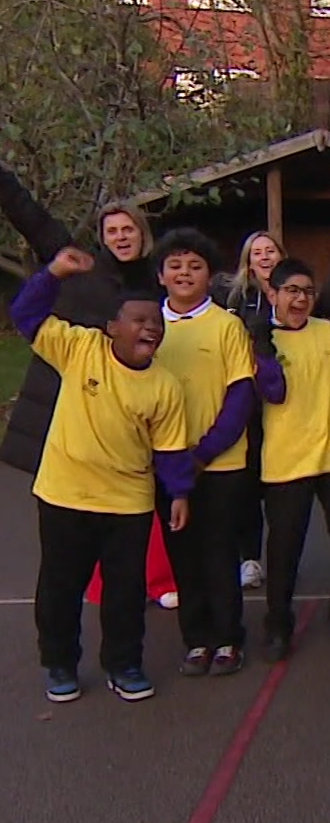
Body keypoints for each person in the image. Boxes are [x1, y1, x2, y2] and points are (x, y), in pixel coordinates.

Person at [11, 246, 194, 703]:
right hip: (64, 494)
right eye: (138, 319)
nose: (150, 326)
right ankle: (59, 665)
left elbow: (169, 451)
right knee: (60, 586)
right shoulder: (79, 347)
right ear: (112, 328)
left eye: (156, 322)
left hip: (127, 500)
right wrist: (54, 272)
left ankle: (124, 664)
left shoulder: (165, 386)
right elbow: (26, 312)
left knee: (126, 592)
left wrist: (179, 494)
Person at [0, 164, 159, 475]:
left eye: (128, 229)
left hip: (115, 421)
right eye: (112, 231)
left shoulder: (156, 286)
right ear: (102, 238)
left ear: (143, 233)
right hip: (55, 406)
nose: (121, 237)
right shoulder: (79, 265)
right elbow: (30, 215)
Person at [149, 230, 256, 677]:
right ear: (160, 275)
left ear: (209, 275)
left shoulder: (227, 325)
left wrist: (205, 451)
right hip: (166, 464)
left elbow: (241, 396)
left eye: (194, 266)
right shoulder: (148, 323)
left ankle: (228, 637)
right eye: (175, 266)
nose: (184, 274)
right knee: (183, 554)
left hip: (220, 462)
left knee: (218, 552)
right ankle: (196, 639)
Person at [251, 258, 330, 658]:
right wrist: (264, 351)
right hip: (286, 459)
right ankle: (278, 625)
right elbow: (274, 393)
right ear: (272, 294)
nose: (299, 299)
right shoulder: (260, 335)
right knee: (285, 548)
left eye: (306, 292)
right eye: (291, 291)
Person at [219, 230, 286, 592]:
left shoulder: (292, 293)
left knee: (278, 483)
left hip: (283, 396)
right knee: (246, 482)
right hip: (246, 396)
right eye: (256, 251)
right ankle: (250, 557)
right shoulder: (234, 295)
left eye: (270, 250)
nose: (264, 257)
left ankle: (280, 556)